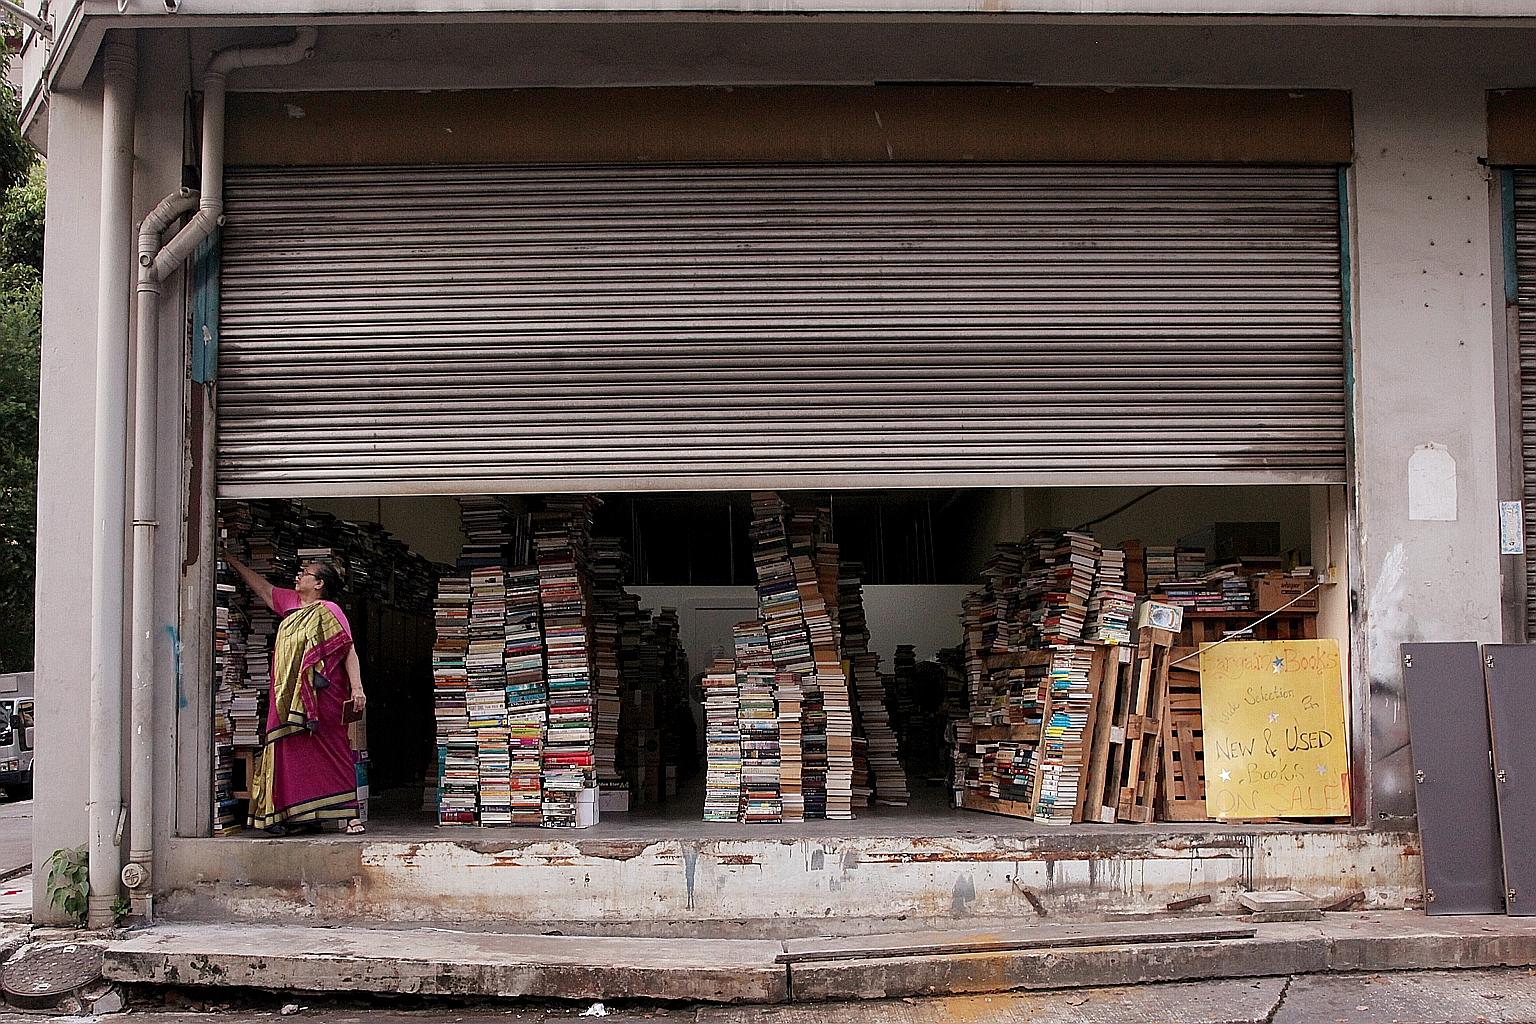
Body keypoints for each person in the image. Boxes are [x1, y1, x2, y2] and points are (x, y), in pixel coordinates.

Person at [224, 551, 367, 835]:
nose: (298, 576)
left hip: (324, 697)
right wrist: (233, 561)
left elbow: (347, 649)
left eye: (306, 574)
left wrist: (357, 687)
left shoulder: (330, 611)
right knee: (285, 751)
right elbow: (264, 588)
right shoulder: (290, 603)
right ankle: (288, 815)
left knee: (333, 750)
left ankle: (350, 816)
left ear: (319, 584)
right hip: (286, 696)